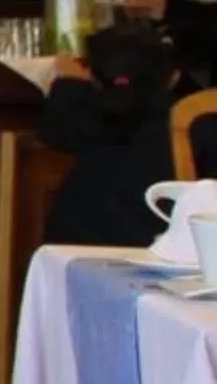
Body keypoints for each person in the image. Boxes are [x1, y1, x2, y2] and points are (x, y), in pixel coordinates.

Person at [39, 18, 184, 247]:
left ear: (93, 78)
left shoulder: (77, 116)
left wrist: (67, 82)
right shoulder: (193, 127)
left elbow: (56, 130)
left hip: (77, 255)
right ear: (174, 78)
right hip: (171, 258)